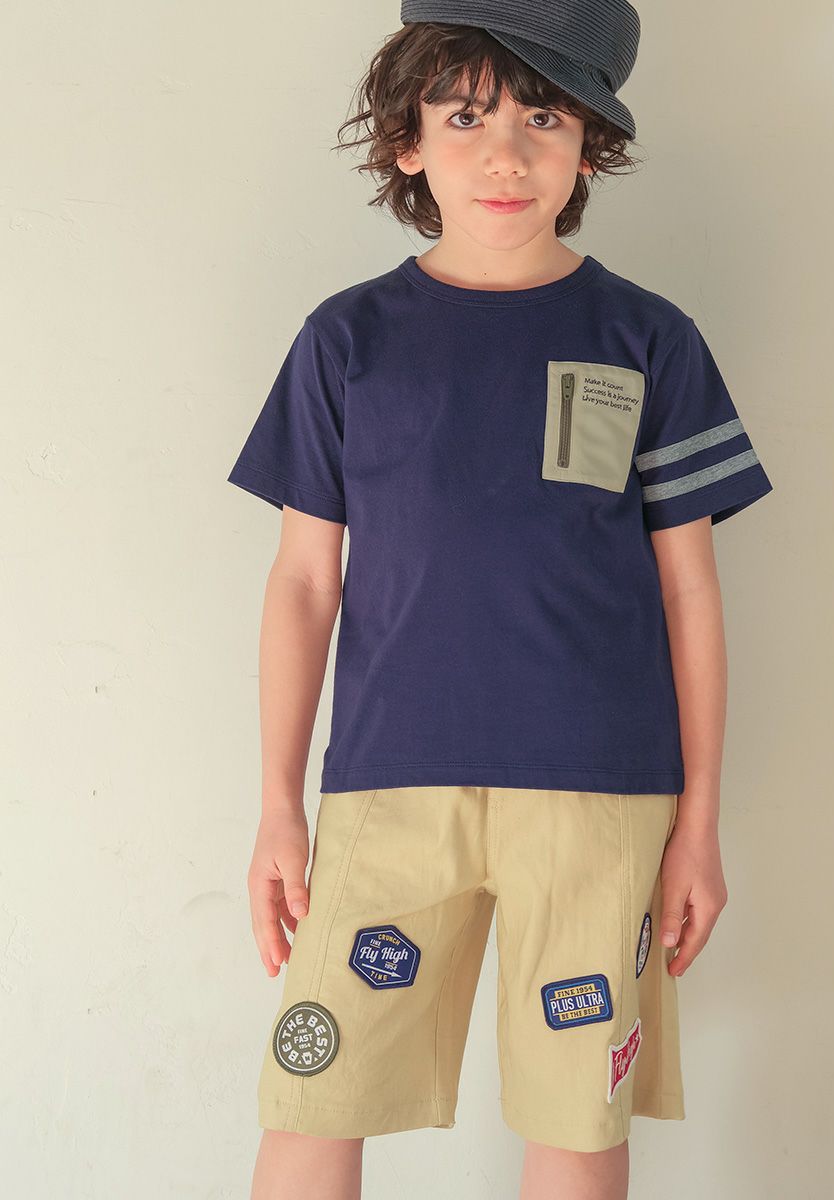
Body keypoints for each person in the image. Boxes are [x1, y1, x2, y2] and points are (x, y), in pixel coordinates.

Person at [228, 3, 774, 1197]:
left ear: (590, 147)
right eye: (466, 117)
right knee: (316, 1091)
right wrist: (276, 805)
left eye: (545, 118)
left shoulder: (647, 339)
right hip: (385, 785)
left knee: (577, 1111)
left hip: (600, 792)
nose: (507, 155)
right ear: (407, 140)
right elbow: (305, 582)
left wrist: (699, 818)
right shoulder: (346, 341)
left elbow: (690, 589)